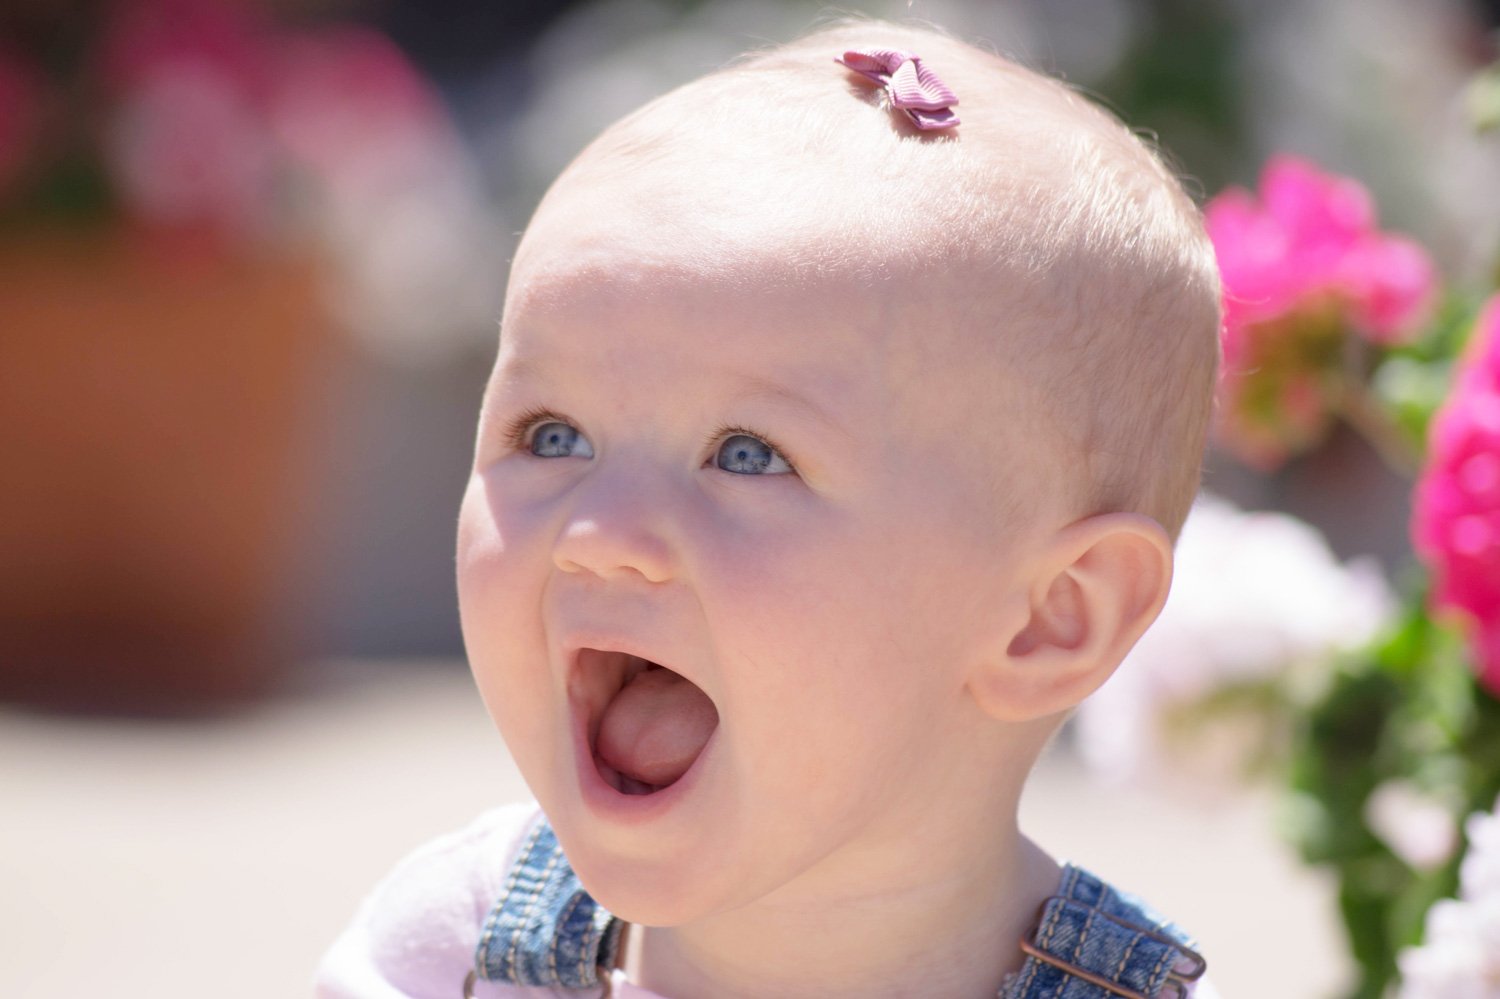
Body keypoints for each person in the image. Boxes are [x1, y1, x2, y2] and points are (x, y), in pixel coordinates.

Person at [317, 16, 1223, 999]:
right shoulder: (450, 953)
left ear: (1050, 617)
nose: (603, 536)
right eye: (551, 436)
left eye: (750, 457)